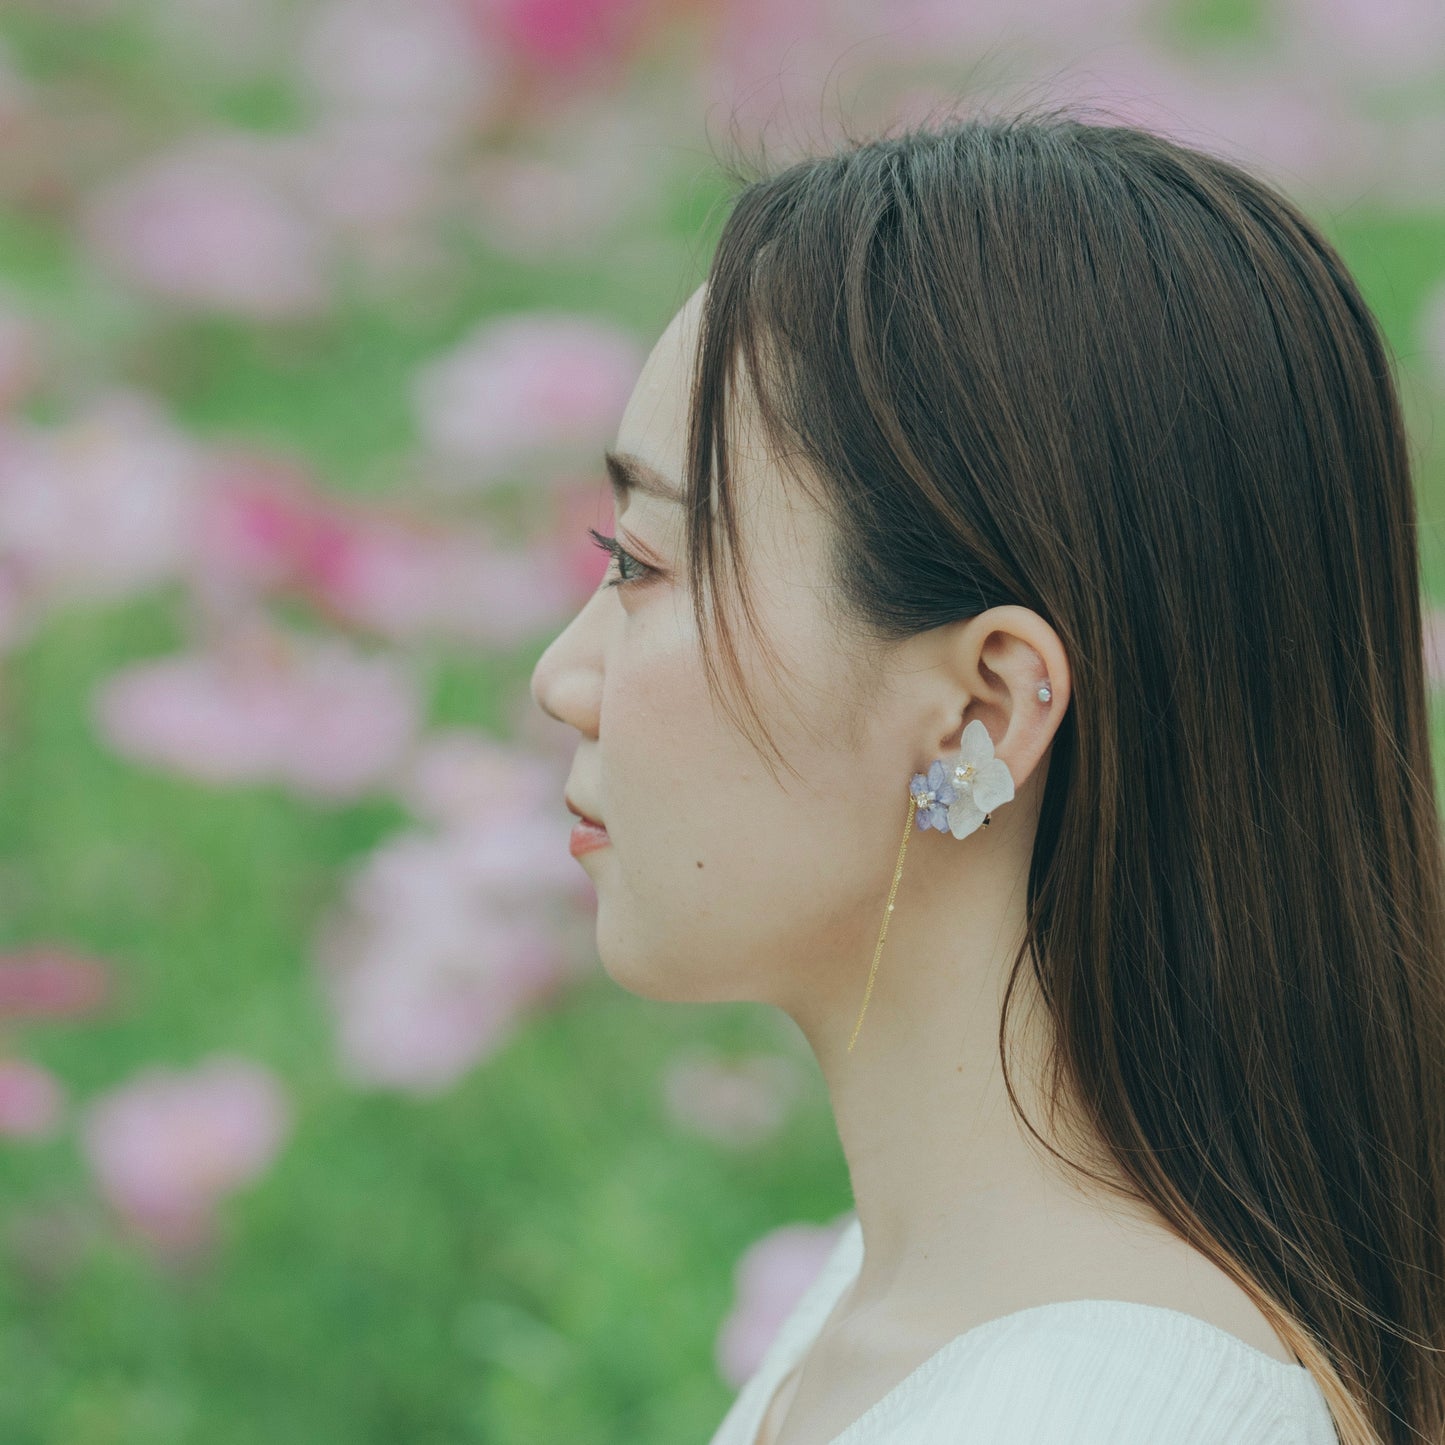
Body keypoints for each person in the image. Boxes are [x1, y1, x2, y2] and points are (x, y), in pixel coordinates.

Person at [528, 107, 1445, 1445]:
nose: (564, 675)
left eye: (646, 565)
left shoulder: (1085, 1410)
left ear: (983, 709)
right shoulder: (906, 1299)